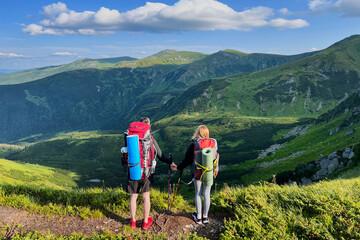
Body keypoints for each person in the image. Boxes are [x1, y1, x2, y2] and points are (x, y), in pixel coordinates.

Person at [126, 117, 177, 230]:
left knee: (133, 196)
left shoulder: (131, 138)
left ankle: (133, 221)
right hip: (147, 172)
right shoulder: (150, 140)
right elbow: (160, 155)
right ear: (148, 126)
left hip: (134, 170)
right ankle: (145, 222)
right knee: (146, 196)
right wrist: (170, 162)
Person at [171, 125, 218, 225]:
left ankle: (198, 217)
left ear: (198, 133)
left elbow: (187, 160)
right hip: (209, 173)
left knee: (198, 193)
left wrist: (178, 167)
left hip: (197, 174)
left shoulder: (194, 145)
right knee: (207, 194)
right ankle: (205, 217)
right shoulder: (213, 144)